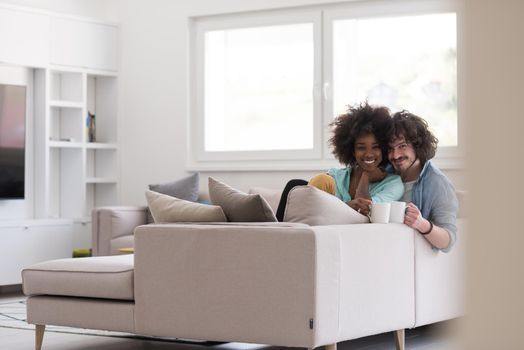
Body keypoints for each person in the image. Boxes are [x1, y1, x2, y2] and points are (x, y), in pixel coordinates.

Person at [276, 103, 404, 221]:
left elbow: (365, 211)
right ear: (352, 151)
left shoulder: (393, 184)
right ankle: (274, 230)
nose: (369, 153)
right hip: (319, 226)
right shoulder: (336, 176)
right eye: (361, 147)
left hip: (352, 234)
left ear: (384, 148)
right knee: (295, 184)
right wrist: (347, 205)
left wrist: (366, 175)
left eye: (375, 147)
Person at [387, 110, 458, 252]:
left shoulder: (437, 183)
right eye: (390, 149)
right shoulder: (385, 173)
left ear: (417, 146)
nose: (395, 155)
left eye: (402, 146)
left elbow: (448, 241)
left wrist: (422, 224)